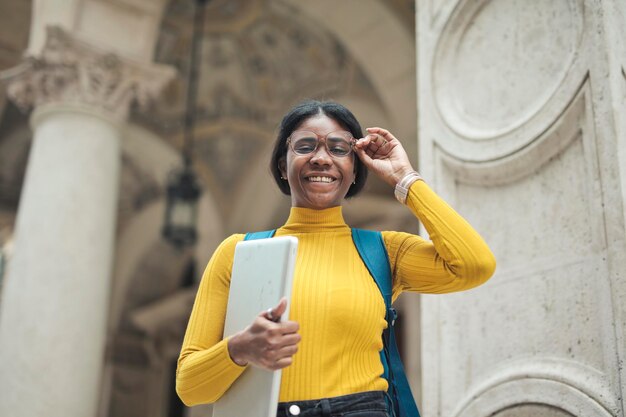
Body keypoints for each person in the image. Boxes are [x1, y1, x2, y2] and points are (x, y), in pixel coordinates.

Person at [176, 100, 496, 416]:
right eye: (305, 146)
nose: (321, 158)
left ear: (354, 170)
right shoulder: (237, 253)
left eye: (338, 148)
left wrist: (406, 179)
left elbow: (474, 265)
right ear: (281, 167)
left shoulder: (384, 252)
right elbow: (190, 387)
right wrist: (240, 349)